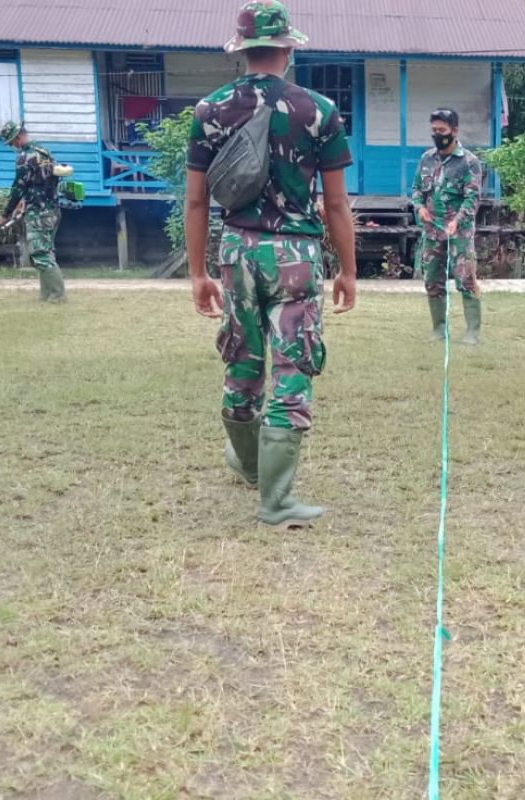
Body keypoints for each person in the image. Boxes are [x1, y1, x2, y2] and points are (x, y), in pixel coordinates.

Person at [185, 0, 358, 529]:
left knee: (242, 359)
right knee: (291, 370)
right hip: (295, 258)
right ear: (288, 48)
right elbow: (335, 204)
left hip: (236, 251)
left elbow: (195, 201)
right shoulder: (318, 111)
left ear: (241, 51)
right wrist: (348, 270)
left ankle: (247, 460)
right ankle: (276, 500)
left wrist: (197, 273)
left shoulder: (209, 111)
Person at [411, 109, 483, 345]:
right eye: (434, 131)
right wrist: (419, 208)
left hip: (459, 232)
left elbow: (472, 198)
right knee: (432, 280)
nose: (437, 135)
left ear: (454, 131)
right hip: (432, 232)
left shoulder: (469, 162)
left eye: (441, 131)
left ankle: (472, 332)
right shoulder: (426, 159)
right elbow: (416, 191)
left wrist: (457, 220)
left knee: (465, 279)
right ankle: (439, 329)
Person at [0, 121, 70, 304]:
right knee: (46, 252)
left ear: (19, 136)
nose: (12, 146)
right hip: (52, 210)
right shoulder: (43, 152)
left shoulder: (25, 158)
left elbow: (18, 188)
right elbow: (39, 183)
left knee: (40, 254)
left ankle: (58, 296)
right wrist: (23, 203)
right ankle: (46, 296)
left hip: (38, 213)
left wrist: (5, 214)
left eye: (12, 141)